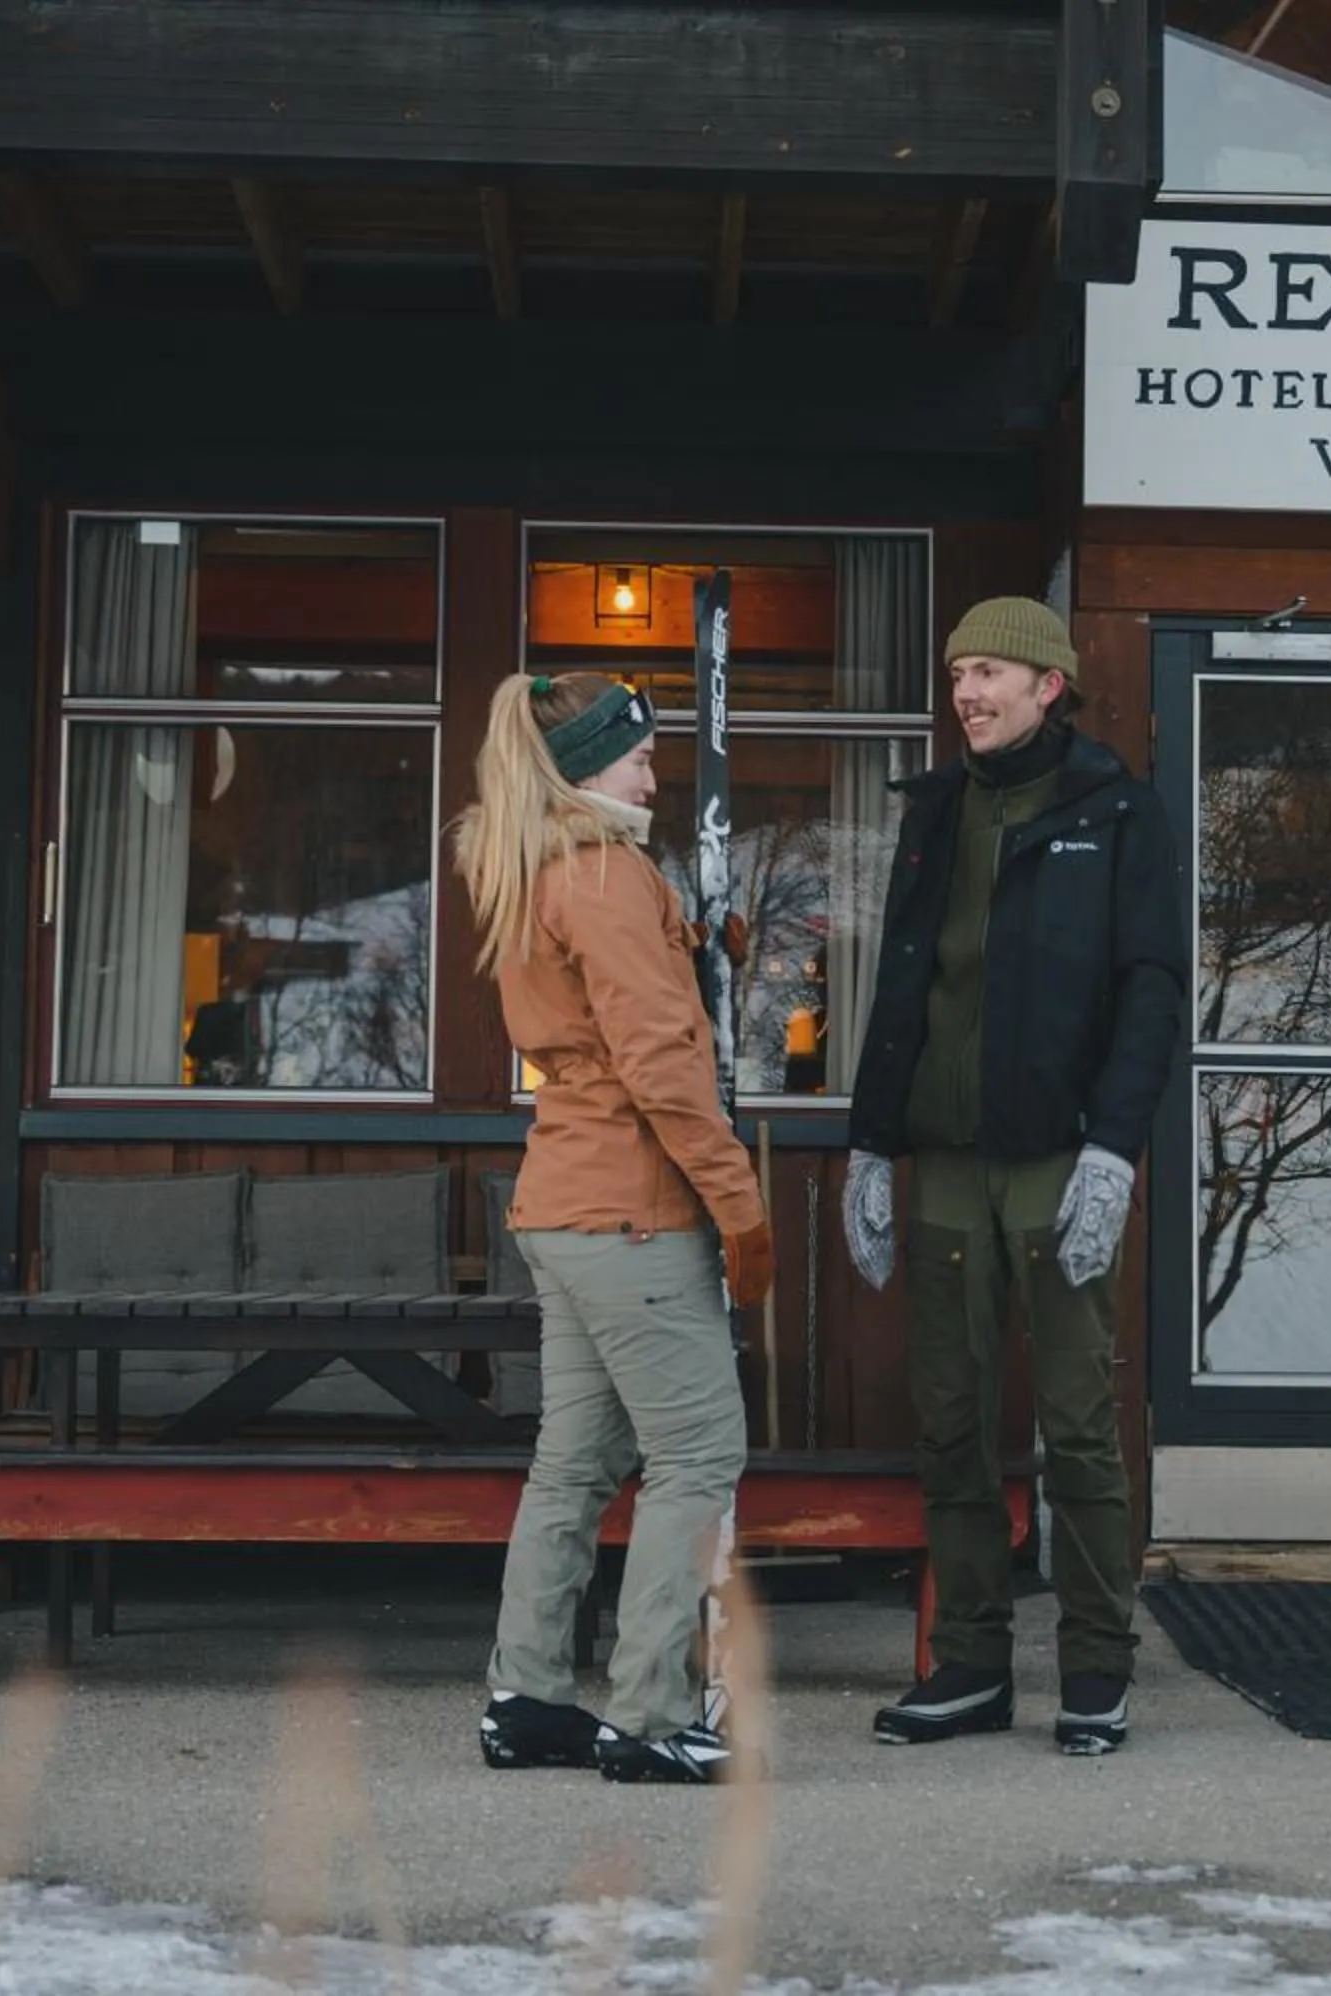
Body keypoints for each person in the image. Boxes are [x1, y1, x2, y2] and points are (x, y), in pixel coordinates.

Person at [841, 596, 1182, 1756]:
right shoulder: (936, 810)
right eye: (957, 675)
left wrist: (1113, 1150)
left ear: (1049, 685)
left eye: (989, 672)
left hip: (1056, 1160)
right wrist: (871, 1143)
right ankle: (972, 1662)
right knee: (950, 1420)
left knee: (1077, 1424)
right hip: (944, 1161)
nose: (967, 693)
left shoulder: (1116, 811)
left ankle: (1095, 1666)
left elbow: (1151, 988)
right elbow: (903, 985)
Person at [455, 669, 773, 1786]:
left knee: (575, 1464)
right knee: (697, 1454)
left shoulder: (548, 867)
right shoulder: (604, 873)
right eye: (637, 756)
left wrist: (695, 948)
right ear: (588, 767)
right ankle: (650, 1714)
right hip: (634, 1210)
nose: (653, 774)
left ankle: (528, 1698)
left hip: (564, 1200)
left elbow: (611, 1017)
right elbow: (660, 1065)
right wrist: (739, 1202)